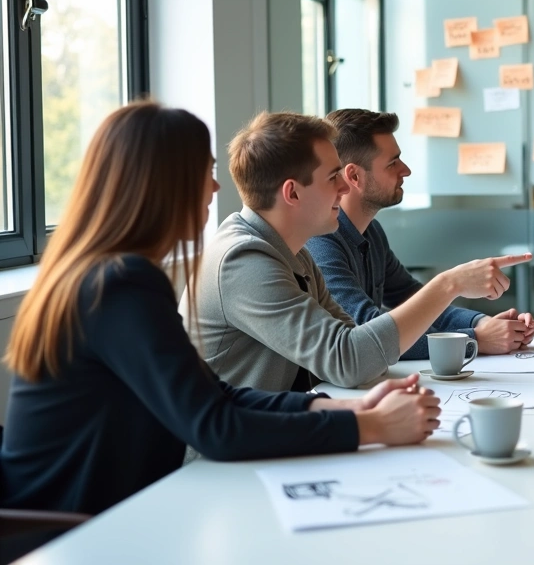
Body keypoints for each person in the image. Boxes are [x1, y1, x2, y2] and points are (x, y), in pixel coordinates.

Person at [0, 101, 441, 519]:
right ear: (161, 184)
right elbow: (215, 425)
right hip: (72, 529)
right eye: (205, 172)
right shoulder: (119, 285)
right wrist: (372, 429)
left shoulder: (108, 275)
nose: (215, 187)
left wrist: (350, 411)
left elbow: (216, 396)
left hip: (105, 509)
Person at [184, 111, 530, 392]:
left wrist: (475, 323)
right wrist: (449, 286)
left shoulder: (294, 253)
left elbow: (362, 351)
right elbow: (351, 360)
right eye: (332, 176)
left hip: (267, 435)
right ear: (292, 194)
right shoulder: (244, 262)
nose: (342, 187)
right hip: (220, 467)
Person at [305, 108, 534, 360]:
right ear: (354, 176)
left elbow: (415, 299)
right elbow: (368, 330)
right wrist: (475, 340)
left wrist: (482, 323)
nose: (406, 170)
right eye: (393, 163)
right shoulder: (321, 243)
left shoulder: (371, 232)